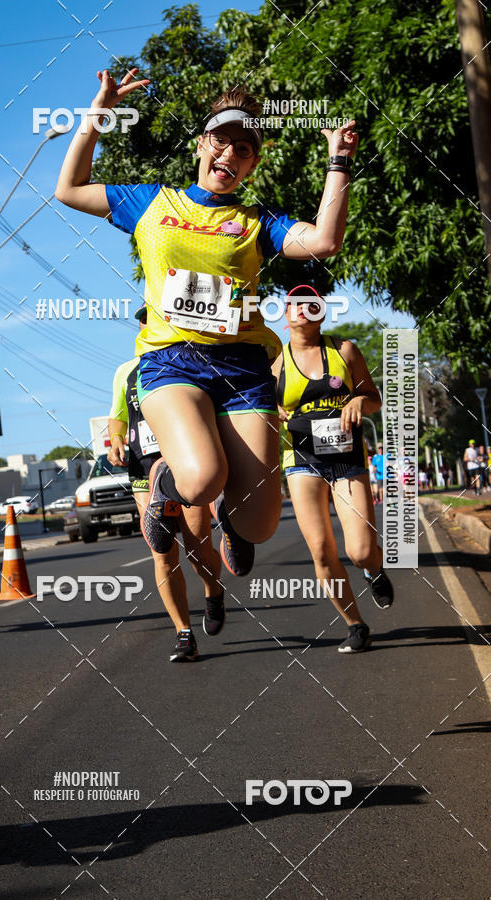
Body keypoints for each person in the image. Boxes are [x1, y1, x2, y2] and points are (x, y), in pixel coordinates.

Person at [56, 68, 359, 578]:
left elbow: (325, 242)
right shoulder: (151, 201)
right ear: (202, 143)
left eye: (244, 150)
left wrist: (340, 162)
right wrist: (99, 112)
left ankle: (233, 526)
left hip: (243, 369)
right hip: (171, 361)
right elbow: (69, 188)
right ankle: (165, 489)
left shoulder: (259, 221)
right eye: (222, 141)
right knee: (201, 478)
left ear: (253, 164)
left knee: (261, 525)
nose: (230, 155)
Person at [274, 295, 394, 653]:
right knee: (323, 553)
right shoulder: (276, 362)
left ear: (322, 314)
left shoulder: (345, 350)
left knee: (358, 550)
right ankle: (356, 625)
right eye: (295, 303)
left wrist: (360, 401)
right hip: (300, 460)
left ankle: (373, 569)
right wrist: (273, 409)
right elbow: (258, 407)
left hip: (347, 458)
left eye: (311, 304)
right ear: (286, 314)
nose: (303, 309)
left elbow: (373, 397)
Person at [107, 305, 223, 661]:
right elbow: (117, 417)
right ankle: (183, 633)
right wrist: (114, 441)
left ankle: (212, 591)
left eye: (153, 319)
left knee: (196, 546)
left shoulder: (190, 360)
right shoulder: (126, 372)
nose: (146, 325)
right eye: (142, 321)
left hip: (185, 466)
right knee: (162, 552)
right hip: (145, 471)